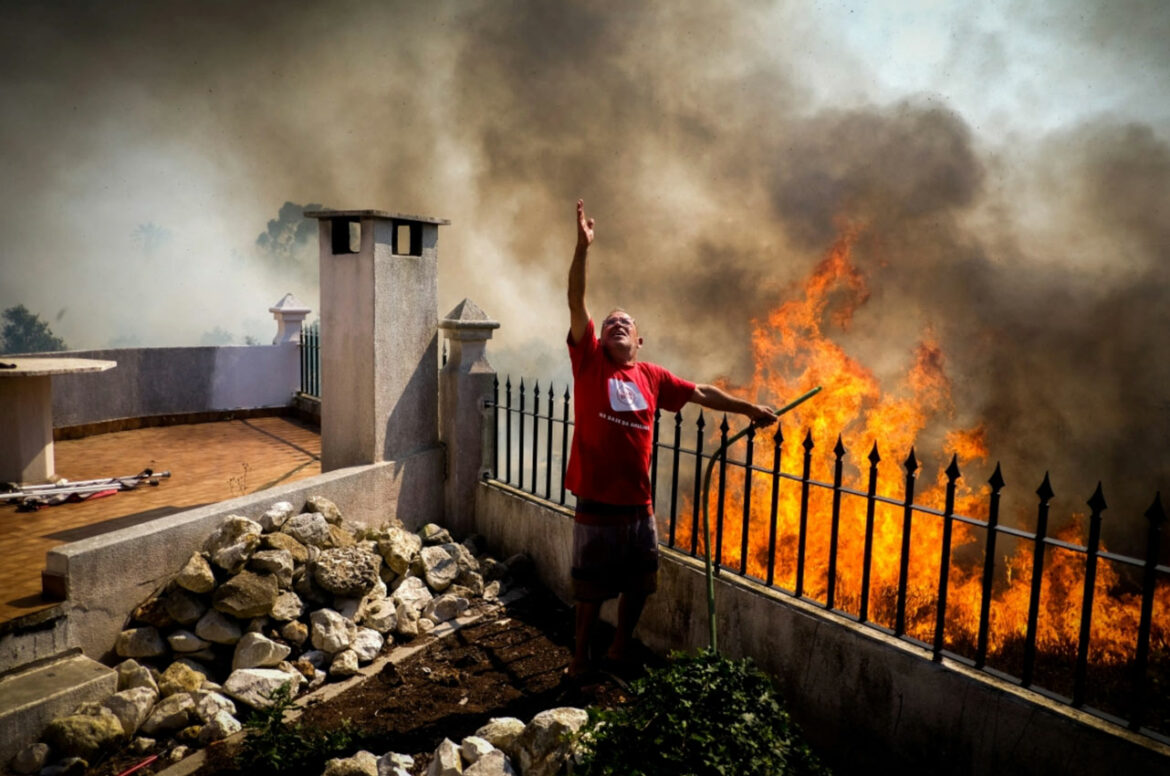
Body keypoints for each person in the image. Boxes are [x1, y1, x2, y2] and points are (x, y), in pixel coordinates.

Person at [565, 198, 777, 677]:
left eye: (626, 323)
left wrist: (749, 408)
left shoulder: (653, 376)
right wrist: (583, 249)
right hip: (597, 499)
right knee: (589, 589)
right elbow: (577, 301)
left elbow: (700, 390)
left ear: (640, 341)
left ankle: (620, 649)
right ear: (598, 339)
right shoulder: (590, 362)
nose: (616, 323)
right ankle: (581, 659)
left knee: (639, 583)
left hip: (637, 504)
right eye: (610, 322)